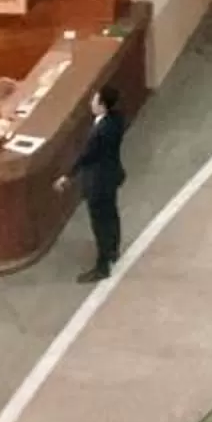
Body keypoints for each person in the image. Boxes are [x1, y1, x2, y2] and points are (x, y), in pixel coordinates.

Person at [69, 84, 126, 285]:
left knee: (100, 223)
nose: (90, 103)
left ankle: (102, 266)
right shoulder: (116, 120)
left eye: (94, 100)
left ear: (102, 106)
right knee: (111, 214)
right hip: (112, 176)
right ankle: (113, 249)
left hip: (98, 182)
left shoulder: (100, 131)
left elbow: (87, 156)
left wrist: (68, 175)